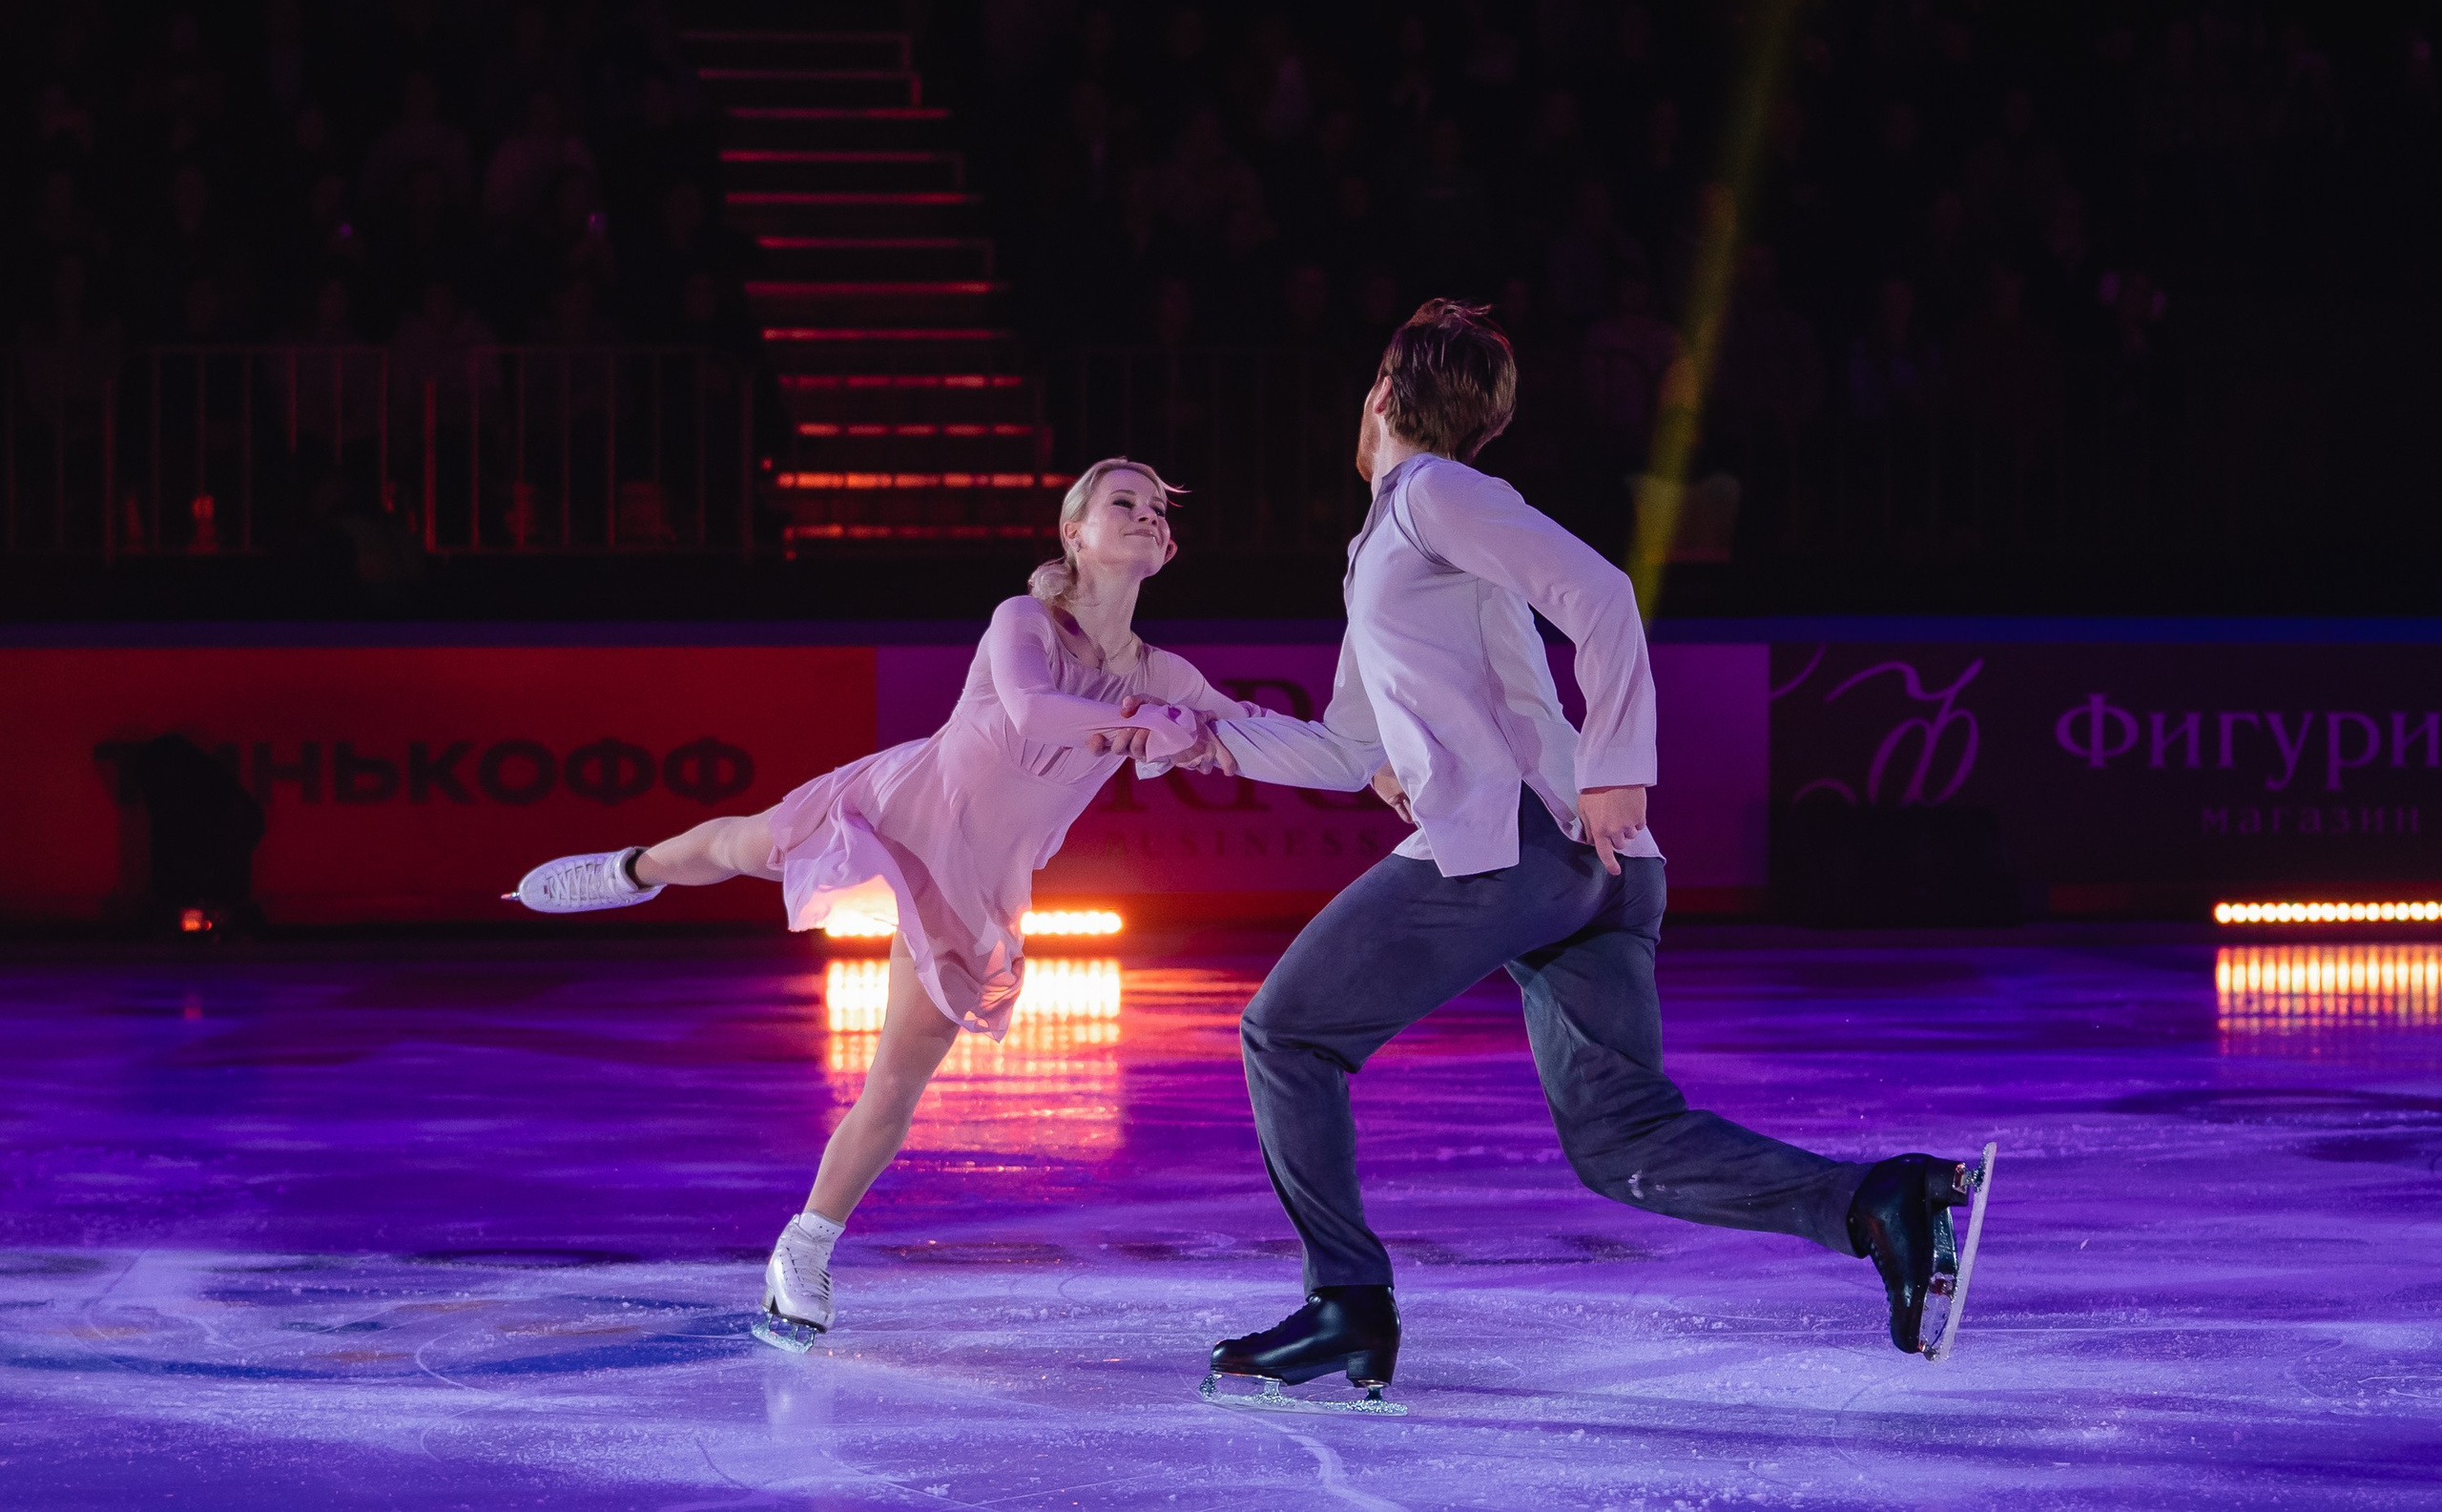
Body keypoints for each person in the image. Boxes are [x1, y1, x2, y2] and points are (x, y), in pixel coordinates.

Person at [1138, 300, 1988, 1405]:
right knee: (1620, 1139)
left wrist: (1615, 761)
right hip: (1589, 867)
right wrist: (1208, 737)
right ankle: (1875, 1202)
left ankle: (1346, 1300)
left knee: (1287, 1032)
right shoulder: (1394, 538)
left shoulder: (1433, 493)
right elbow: (1351, 749)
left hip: (1523, 846)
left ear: (1384, 394)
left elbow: (1603, 593)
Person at [507, 459, 1248, 1347]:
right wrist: (1149, 724)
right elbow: (1029, 707)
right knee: (749, 844)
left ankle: (802, 1248)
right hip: (902, 808)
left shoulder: (1164, 674)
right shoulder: (1025, 621)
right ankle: (633, 868)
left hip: (974, 884)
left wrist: (1371, 763)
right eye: (1122, 501)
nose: (1147, 514)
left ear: (1168, 547)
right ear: (1075, 534)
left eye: (1158, 508)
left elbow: (1246, 727)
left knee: (897, 1082)